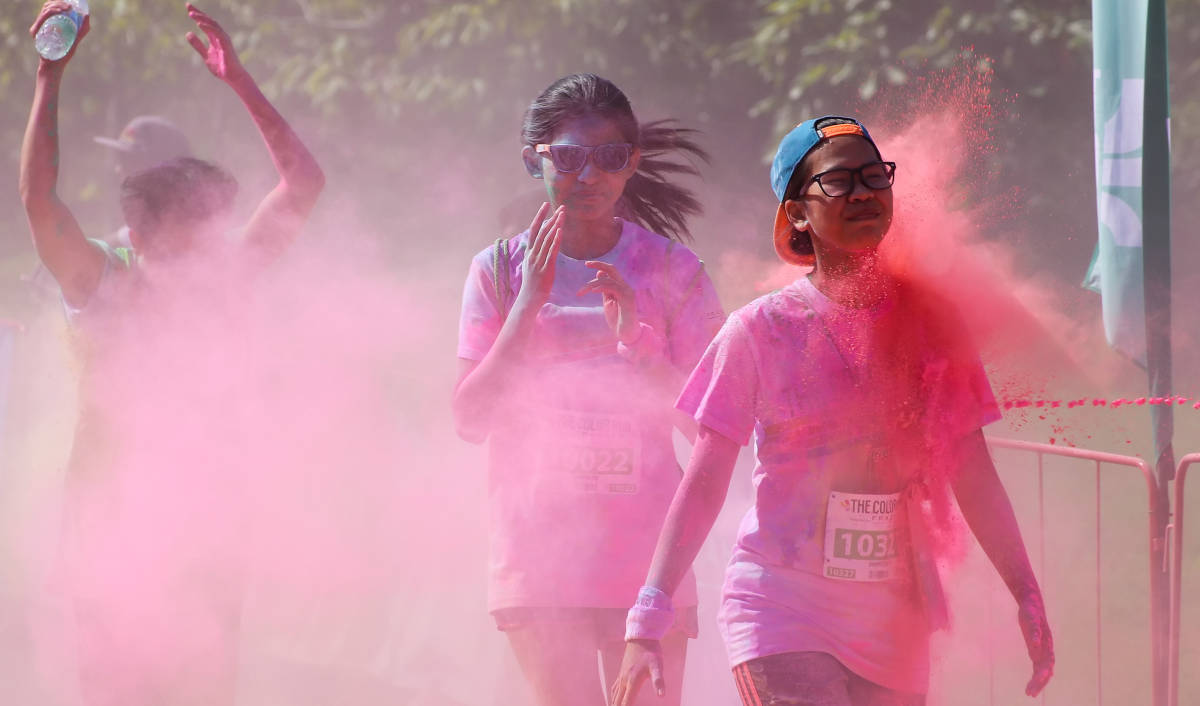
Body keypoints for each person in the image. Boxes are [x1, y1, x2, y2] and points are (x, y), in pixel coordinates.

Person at [611, 116, 1054, 706]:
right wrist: (649, 611)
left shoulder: (932, 326)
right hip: (781, 608)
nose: (864, 192)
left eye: (875, 176)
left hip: (893, 620)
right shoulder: (758, 330)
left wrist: (1025, 590)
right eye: (840, 181)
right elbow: (706, 479)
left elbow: (970, 467)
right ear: (796, 212)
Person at [19, 3, 324, 704]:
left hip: (208, 528)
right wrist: (48, 78)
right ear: (147, 233)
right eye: (199, 228)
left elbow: (303, 186)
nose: (216, 242)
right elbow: (39, 202)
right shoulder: (102, 283)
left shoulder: (225, 282)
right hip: (107, 532)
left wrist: (240, 82)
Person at [452, 73, 725, 706]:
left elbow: (712, 429)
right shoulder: (496, 271)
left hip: (650, 558)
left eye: (607, 158)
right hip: (541, 555)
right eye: (568, 157)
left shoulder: (674, 272)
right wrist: (527, 306)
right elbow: (468, 419)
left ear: (630, 164)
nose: (588, 175)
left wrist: (639, 345)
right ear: (534, 161)